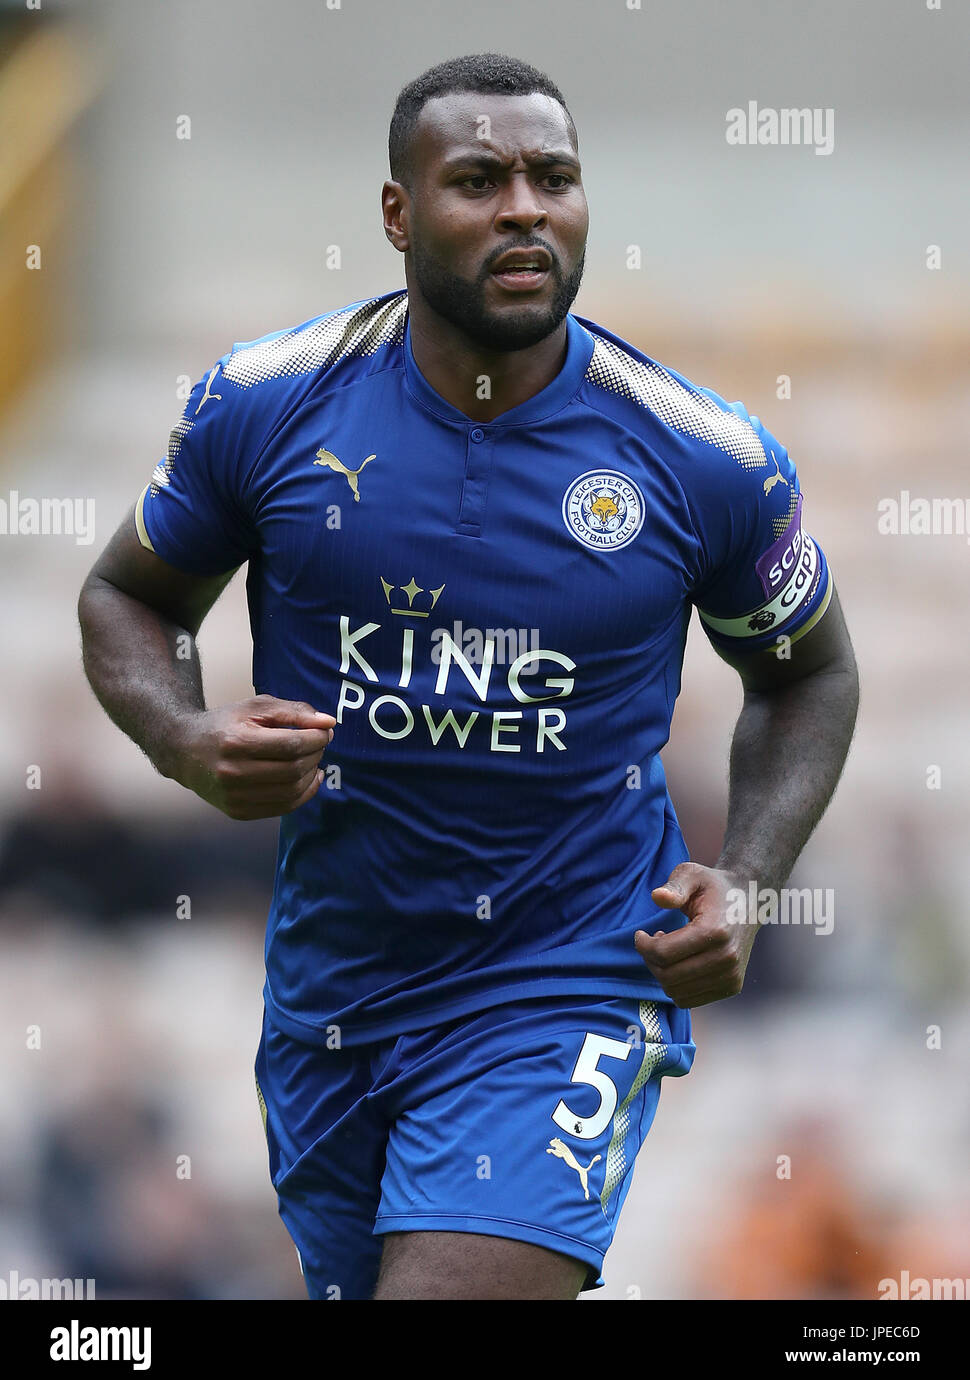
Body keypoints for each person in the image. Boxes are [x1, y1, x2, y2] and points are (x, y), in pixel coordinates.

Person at [78, 52, 859, 1301]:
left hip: (572, 974)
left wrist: (753, 878)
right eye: (479, 180)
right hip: (339, 994)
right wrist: (182, 738)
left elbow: (806, 674)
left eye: (554, 178)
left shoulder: (701, 455)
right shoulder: (265, 406)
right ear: (398, 212)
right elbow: (128, 594)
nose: (525, 209)